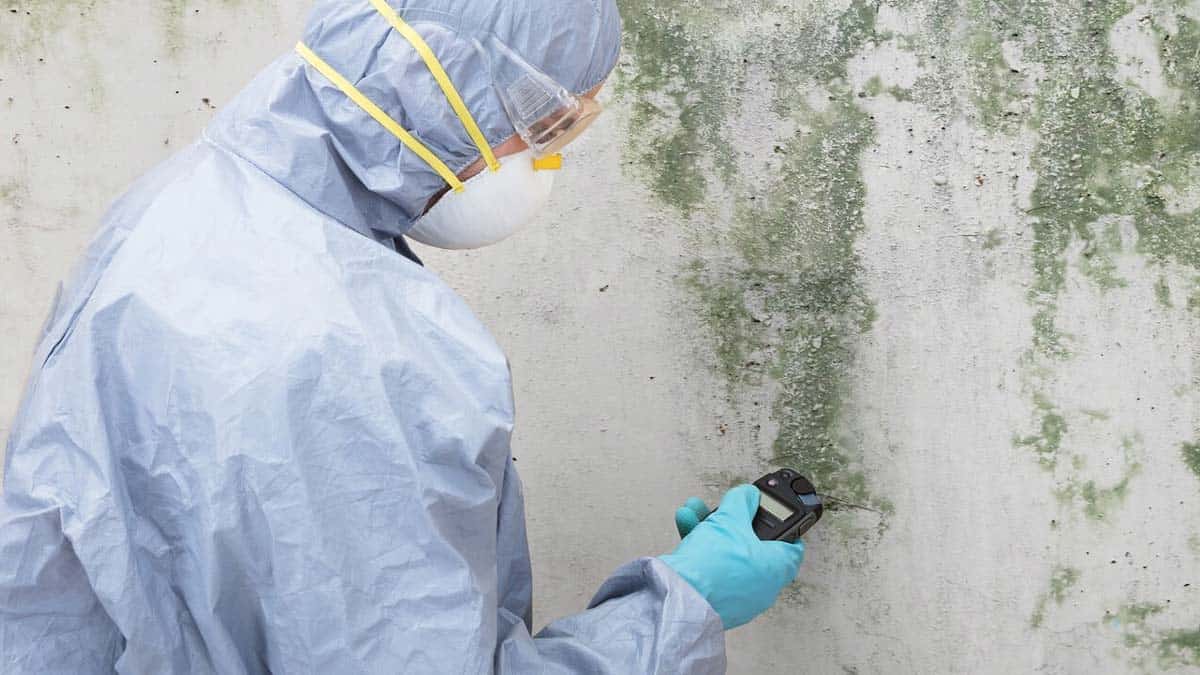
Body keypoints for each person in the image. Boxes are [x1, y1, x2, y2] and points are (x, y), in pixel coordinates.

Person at [0, 0, 806, 672]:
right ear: (450, 91)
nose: (546, 161)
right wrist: (680, 605)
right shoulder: (364, 356)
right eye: (550, 126)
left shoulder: (183, 200)